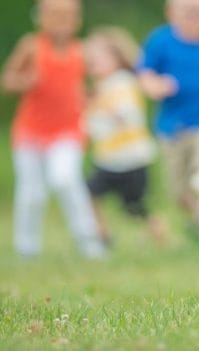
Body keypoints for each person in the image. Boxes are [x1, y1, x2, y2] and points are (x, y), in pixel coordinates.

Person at [1, 0, 105, 259]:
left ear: (77, 19)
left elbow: (90, 86)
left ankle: (89, 241)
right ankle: (27, 248)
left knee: (66, 179)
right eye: (54, 15)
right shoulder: (31, 47)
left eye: (67, 16)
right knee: (31, 191)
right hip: (30, 133)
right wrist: (26, 81)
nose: (61, 22)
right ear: (41, 18)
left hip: (67, 131)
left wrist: (90, 98)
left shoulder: (81, 51)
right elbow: (7, 80)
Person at [137, 0, 199, 242]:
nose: (196, 20)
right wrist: (156, 86)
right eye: (190, 13)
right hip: (173, 125)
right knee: (180, 189)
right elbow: (145, 74)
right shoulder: (161, 41)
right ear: (171, 14)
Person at [83, 26, 167, 247]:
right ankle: (102, 234)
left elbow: (127, 115)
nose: (93, 65)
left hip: (131, 158)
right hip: (109, 159)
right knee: (88, 192)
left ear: (117, 58)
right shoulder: (102, 86)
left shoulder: (124, 83)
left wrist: (99, 106)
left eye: (98, 59)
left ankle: (159, 234)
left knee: (134, 206)